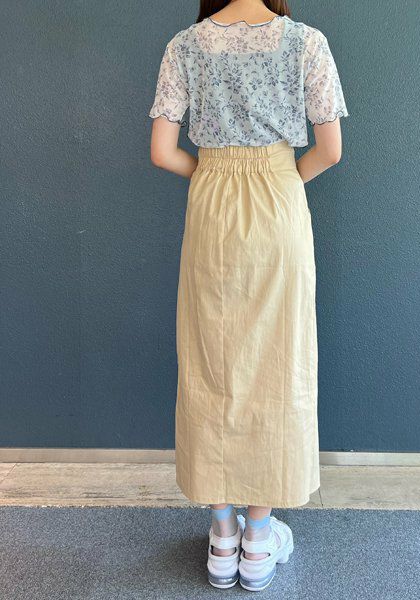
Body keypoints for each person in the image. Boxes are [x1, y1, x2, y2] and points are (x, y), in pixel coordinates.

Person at [148, 0, 348, 591]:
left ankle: (222, 535)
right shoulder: (307, 42)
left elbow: (162, 151)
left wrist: (214, 175)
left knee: (210, 359)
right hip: (280, 203)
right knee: (277, 362)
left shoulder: (184, 45)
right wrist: (278, 180)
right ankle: (258, 538)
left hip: (211, 204)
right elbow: (330, 149)